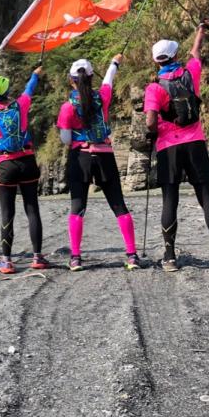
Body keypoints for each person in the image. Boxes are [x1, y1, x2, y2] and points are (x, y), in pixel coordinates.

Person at [144, 17, 209, 272]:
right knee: (206, 198)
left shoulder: (154, 88)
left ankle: (170, 257)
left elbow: (150, 121)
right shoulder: (190, 73)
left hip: (168, 147)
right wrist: (201, 31)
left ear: (156, 61)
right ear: (174, 56)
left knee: (170, 200)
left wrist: (152, 132)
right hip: (195, 142)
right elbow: (196, 51)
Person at [56, 55, 139, 272]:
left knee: (78, 207)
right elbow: (108, 80)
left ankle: (76, 258)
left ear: (71, 80)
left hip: (81, 156)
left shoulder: (67, 107)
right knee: (119, 205)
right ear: (91, 77)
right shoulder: (102, 97)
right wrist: (114, 62)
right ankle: (132, 256)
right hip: (104, 155)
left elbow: (66, 139)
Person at [0, 67, 49, 274]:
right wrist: (35, 74)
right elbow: (30, 88)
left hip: (5, 165)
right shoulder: (21, 104)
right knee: (32, 209)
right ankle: (37, 257)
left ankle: (6, 261)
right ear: (7, 90)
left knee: (7, 213)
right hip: (27, 161)